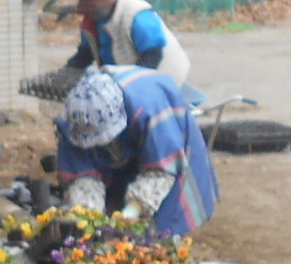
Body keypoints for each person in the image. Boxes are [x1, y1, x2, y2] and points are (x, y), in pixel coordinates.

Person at [55, 65, 219, 235]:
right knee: (107, 223)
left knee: (162, 225)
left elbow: (161, 172)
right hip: (124, 151)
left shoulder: (149, 107)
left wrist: (132, 211)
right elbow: (82, 177)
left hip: (168, 146)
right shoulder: (72, 122)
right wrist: (89, 220)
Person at [63, 0, 191, 89]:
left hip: (165, 74)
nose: (89, 14)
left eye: (93, 9)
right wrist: (67, 73)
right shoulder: (92, 21)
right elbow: (85, 54)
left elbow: (153, 55)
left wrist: (130, 84)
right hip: (123, 78)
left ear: (109, 2)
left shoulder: (136, 15)